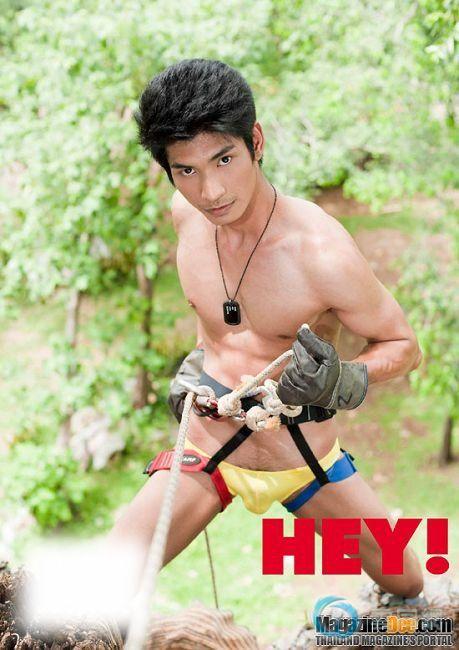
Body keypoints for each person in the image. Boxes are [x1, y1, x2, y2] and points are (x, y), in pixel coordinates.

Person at [108, 59, 424, 600]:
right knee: (107, 577)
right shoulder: (186, 219)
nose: (211, 191)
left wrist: (343, 379)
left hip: (301, 452)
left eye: (224, 159)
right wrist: (198, 367)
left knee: (407, 579)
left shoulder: (319, 250)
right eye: (186, 171)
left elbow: (404, 347)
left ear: (255, 141)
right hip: (211, 444)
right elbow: (217, 321)